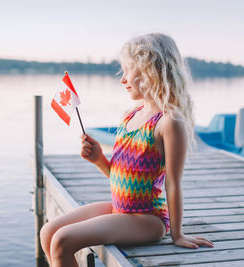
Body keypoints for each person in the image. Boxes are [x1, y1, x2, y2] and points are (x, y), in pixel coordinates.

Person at [40, 33, 214, 267]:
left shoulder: (169, 122)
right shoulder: (130, 116)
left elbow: (173, 183)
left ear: (150, 71)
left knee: (62, 240)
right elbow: (122, 177)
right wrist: (99, 158)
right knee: (49, 231)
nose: (122, 79)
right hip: (121, 209)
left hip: (147, 219)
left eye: (127, 70)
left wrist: (177, 234)